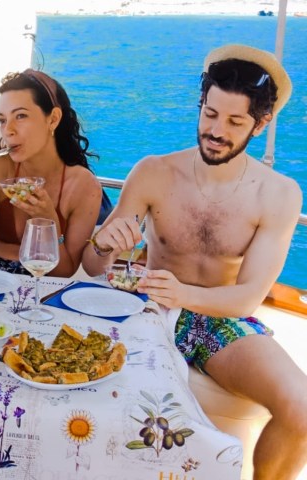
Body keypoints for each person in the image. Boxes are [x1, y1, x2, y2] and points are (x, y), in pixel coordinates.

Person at [81, 45, 306, 479]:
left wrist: (182, 293)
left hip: (215, 317)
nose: (216, 131)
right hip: (143, 308)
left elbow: (246, 298)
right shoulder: (153, 172)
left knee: (302, 407)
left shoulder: (278, 194)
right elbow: (94, 265)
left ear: (260, 125)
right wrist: (104, 243)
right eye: (210, 114)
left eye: (235, 121)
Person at [0, 69, 104, 277]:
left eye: (20, 116)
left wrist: (49, 220)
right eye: (2, 120)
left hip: (41, 289)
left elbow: (64, 272)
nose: (8, 130)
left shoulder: (84, 186)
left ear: (53, 119)